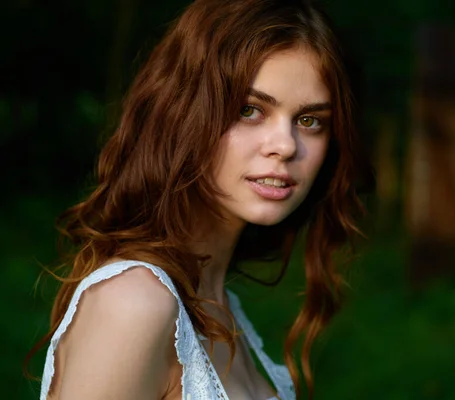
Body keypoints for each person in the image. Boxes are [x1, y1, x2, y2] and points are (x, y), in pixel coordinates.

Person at [29, 0, 372, 399]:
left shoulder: (220, 303)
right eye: (249, 110)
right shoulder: (134, 303)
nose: (285, 145)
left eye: (310, 120)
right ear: (184, 113)